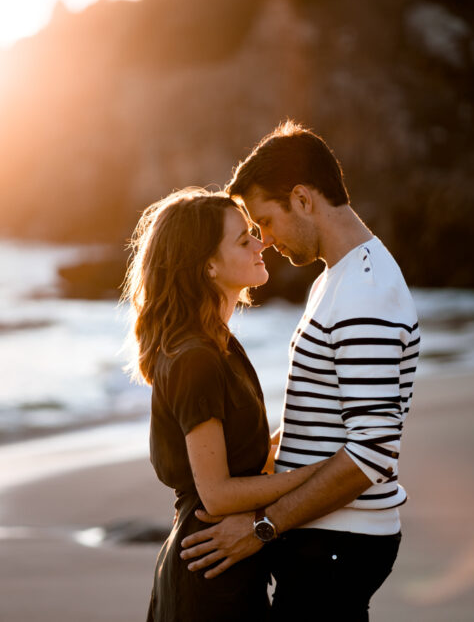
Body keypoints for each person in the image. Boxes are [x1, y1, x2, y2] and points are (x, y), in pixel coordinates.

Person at [179, 121, 420, 620]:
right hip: (329, 536)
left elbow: (372, 451)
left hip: (340, 542)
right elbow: (330, 410)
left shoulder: (364, 294)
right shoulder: (339, 278)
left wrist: (261, 527)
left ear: (304, 200)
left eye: (266, 221)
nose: (263, 241)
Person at [123, 187, 333, 622]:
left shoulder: (220, 345)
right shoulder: (195, 357)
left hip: (229, 562)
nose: (261, 244)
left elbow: (244, 458)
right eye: (244, 240)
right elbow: (217, 494)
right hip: (209, 576)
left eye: (253, 234)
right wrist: (320, 476)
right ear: (209, 266)